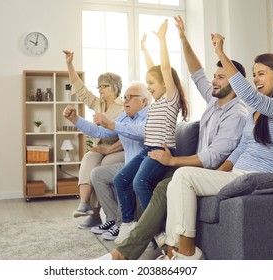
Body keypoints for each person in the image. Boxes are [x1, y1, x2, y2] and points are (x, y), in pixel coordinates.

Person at [95, 15, 248, 260]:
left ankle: (129, 252)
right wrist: (183, 38)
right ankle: (150, 240)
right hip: (189, 165)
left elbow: (214, 157)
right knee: (148, 184)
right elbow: (197, 72)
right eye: (215, 76)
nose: (214, 81)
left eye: (221, 77)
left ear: (237, 83)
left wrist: (173, 162)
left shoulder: (237, 114)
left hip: (215, 171)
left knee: (158, 184)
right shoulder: (214, 99)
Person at [156, 34, 273, 260]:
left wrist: (221, 53)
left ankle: (188, 254)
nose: (256, 79)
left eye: (261, 73)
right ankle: (173, 250)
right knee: (179, 179)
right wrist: (215, 175)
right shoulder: (256, 113)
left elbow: (252, 97)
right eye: (254, 75)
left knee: (183, 175)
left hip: (258, 178)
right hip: (237, 176)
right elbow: (240, 148)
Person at [112, 19, 189, 244]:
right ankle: (128, 223)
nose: (149, 86)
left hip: (160, 151)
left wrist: (162, 40)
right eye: (147, 83)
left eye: (152, 83)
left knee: (139, 183)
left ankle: (156, 232)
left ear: (166, 84)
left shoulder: (170, 99)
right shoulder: (155, 102)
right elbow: (154, 69)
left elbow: (164, 68)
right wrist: (145, 49)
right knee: (120, 180)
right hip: (148, 150)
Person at [63, 82, 152, 232]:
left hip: (143, 167)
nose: (125, 101)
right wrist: (75, 119)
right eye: (124, 97)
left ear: (144, 101)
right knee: (97, 174)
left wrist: (111, 124)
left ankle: (121, 223)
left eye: (130, 97)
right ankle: (111, 219)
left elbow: (140, 132)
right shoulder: (124, 117)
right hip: (127, 164)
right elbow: (99, 132)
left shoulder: (151, 114)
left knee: (118, 178)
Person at [63, 50, 125, 228]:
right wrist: (69, 64)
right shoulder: (97, 103)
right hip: (100, 147)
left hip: (119, 148)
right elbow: (79, 88)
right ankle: (85, 206)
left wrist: (107, 150)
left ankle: (103, 214)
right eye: (98, 85)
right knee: (89, 159)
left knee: (102, 168)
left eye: (103, 85)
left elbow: (126, 137)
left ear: (114, 88)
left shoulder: (123, 107)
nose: (99, 89)